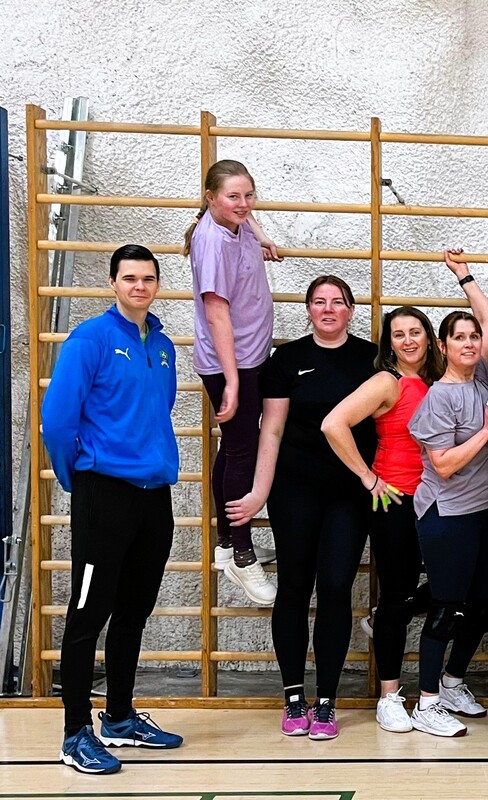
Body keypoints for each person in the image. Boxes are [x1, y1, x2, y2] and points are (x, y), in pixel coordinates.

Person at [43, 244, 183, 774]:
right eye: (129, 278)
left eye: (148, 278)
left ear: (157, 284)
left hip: (154, 497)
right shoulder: (90, 339)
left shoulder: (163, 346)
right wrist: (79, 476)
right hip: (103, 494)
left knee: (133, 612)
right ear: (112, 283)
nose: (139, 286)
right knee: (87, 615)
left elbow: (158, 412)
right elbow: (58, 421)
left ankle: (120, 718)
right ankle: (75, 732)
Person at [226, 275, 377, 741]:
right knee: (294, 587)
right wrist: (258, 493)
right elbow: (270, 430)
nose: (328, 309)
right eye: (319, 302)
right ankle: (293, 697)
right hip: (294, 489)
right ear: (309, 309)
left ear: (350, 310)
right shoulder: (287, 360)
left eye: (338, 302)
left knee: (335, 587)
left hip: (349, 492)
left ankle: (326, 702)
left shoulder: (371, 358)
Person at [321, 291, 461, 733]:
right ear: (390, 343)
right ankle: (389, 697)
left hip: (438, 500)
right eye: (398, 335)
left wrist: (465, 280)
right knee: (398, 596)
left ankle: (383, 621)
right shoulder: (388, 381)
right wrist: (368, 478)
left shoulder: (440, 380)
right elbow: (333, 424)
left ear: (430, 339)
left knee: (455, 588)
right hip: (394, 499)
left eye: (415, 332)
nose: (407, 340)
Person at [406, 252, 488, 737]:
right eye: (459, 338)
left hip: (484, 513)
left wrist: (464, 276)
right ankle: (425, 703)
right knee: (447, 608)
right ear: (442, 346)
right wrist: (487, 431)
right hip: (446, 514)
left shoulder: (480, 376)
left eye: (472, 337)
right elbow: (443, 464)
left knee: (485, 604)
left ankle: (451, 682)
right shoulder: (438, 396)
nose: (469, 342)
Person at [183, 159, 278, 605]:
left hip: (248, 357)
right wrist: (234, 381)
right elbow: (217, 314)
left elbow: (245, 218)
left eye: (248, 195)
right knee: (243, 449)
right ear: (210, 199)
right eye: (233, 197)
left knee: (235, 444)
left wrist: (262, 237)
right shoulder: (212, 243)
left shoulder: (236, 224)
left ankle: (226, 542)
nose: (243, 204)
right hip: (230, 363)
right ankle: (241, 554)